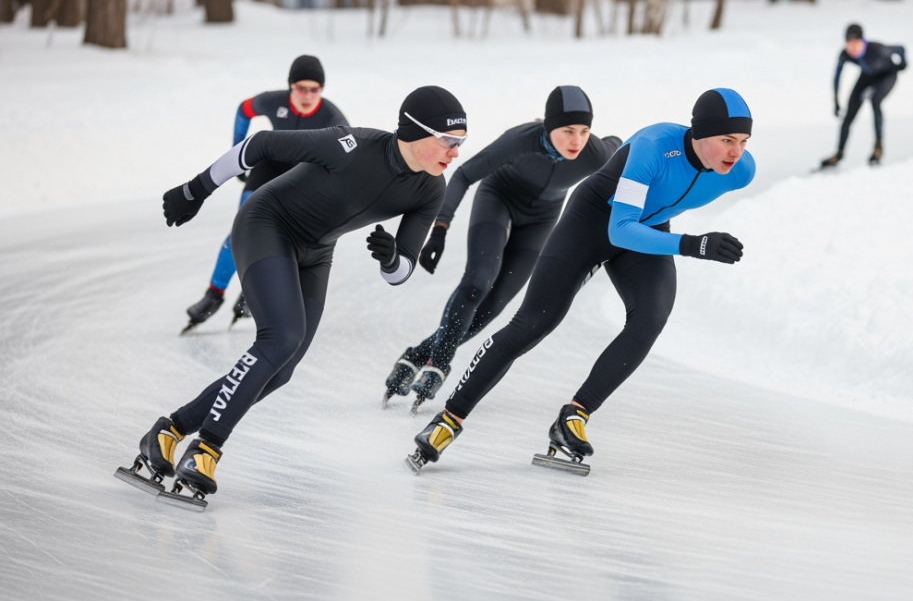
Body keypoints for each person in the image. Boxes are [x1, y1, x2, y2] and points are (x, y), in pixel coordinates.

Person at [117, 86, 465, 507]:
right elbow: (261, 144)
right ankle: (205, 449)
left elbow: (400, 273)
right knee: (279, 338)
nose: (455, 152)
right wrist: (195, 190)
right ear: (416, 133)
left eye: (460, 143)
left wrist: (391, 257)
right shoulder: (350, 144)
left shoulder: (431, 189)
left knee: (282, 368)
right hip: (267, 224)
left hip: (316, 253)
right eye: (448, 141)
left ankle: (169, 430)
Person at [405, 89, 755, 473]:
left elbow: (644, 220)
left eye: (742, 142)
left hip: (647, 230)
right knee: (533, 323)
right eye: (726, 140)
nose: (735, 152)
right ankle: (448, 420)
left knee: (651, 318)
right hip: (593, 221)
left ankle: (574, 416)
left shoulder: (741, 172)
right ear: (698, 133)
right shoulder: (656, 146)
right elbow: (621, 229)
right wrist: (693, 244)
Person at [383, 86, 624, 412]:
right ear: (548, 126)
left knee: (492, 308)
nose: (576, 141)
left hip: (541, 221)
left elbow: (623, 148)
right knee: (476, 284)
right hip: (498, 200)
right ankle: (439, 362)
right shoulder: (519, 140)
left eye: (584, 131)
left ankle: (417, 355)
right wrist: (439, 229)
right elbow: (464, 175)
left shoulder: (596, 153)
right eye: (567, 131)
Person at [183, 55, 350, 333]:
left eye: (314, 90)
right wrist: (237, 153)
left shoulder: (334, 118)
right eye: (301, 89)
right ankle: (213, 295)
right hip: (268, 166)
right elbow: (243, 109)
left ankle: (252, 293)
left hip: (302, 176)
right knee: (241, 230)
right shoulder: (274, 101)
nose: (307, 96)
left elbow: (347, 158)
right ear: (290, 87)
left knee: (282, 238)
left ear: (322, 89)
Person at [820, 23, 906, 169]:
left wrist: (903, 63)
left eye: (856, 43)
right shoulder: (845, 54)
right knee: (849, 113)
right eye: (849, 44)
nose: (852, 48)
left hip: (887, 76)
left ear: (863, 41)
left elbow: (900, 48)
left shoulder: (876, 49)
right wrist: (836, 101)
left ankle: (878, 148)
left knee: (875, 101)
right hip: (867, 76)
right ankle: (839, 153)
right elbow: (837, 77)